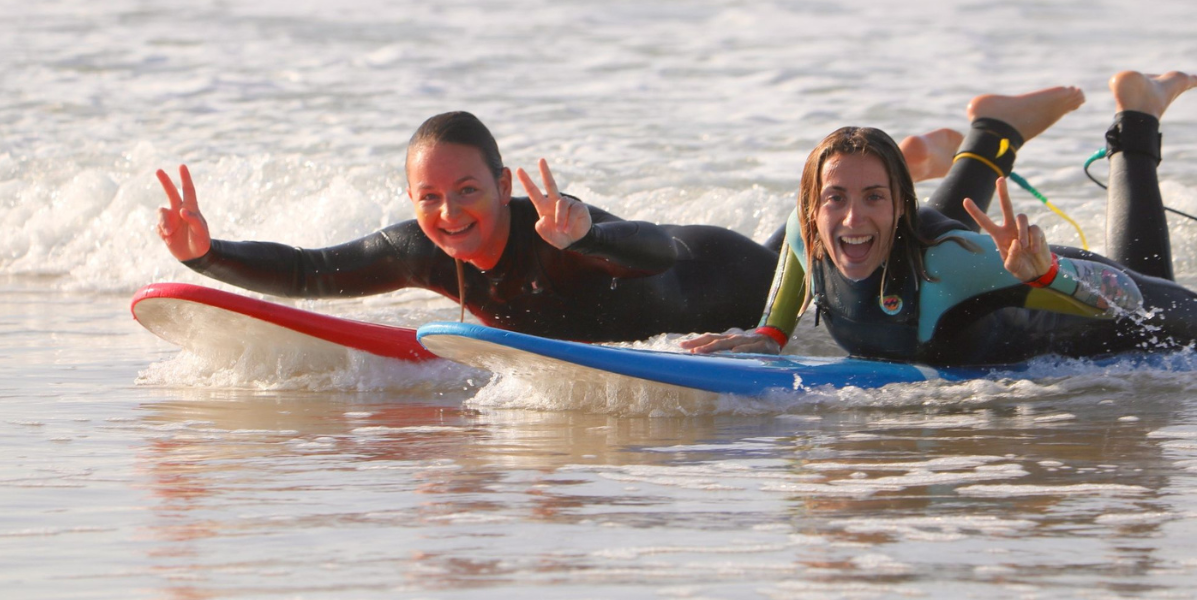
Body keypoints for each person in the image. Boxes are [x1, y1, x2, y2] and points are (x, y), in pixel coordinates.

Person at [156, 111, 961, 343]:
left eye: (467, 190)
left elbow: (662, 253)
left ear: (502, 184)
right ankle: (906, 161)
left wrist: (587, 239)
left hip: (734, 280)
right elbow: (306, 273)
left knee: (921, 240)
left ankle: (981, 140)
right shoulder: (422, 246)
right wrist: (207, 252)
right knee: (842, 221)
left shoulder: (555, 224)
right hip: (689, 297)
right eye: (427, 197)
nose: (447, 213)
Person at [682, 71, 1197, 365]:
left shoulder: (953, 265)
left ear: (902, 206)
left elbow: (1124, 300)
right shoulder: (808, 226)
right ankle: (1134, 112)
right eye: (835, 198)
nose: (850, 216)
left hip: (1083, 319)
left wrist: (1045, 273)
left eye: (874, 197)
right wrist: (770, 333)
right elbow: (797, 263)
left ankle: (1139, 117)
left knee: (1164, 306)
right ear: (812, 204)